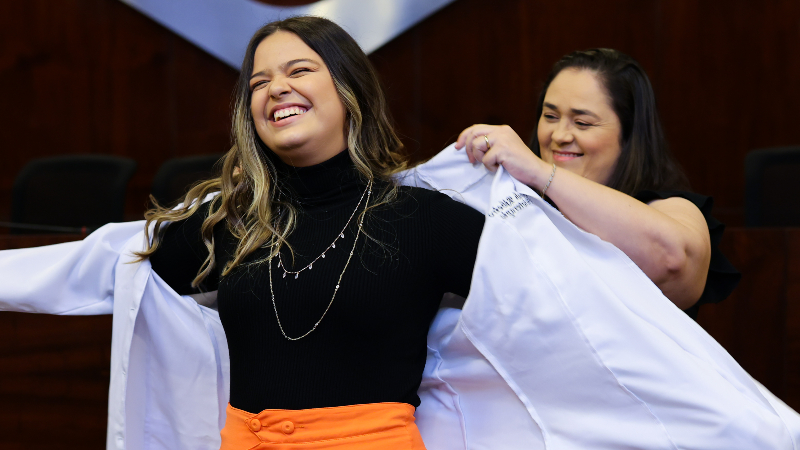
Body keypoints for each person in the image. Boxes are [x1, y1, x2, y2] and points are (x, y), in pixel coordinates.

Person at [137, 16, 484, 450]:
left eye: (299, 70)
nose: (276, 88)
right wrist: (236, 192)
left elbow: (552, 300)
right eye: (258, 83)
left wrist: (544, 178)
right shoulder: (235, 223)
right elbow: (133, 275)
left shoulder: (428, 220)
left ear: (349, 87)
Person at [454, 48, 740, 319]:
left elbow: (674, 260)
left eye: (583, 123)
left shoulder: (671, 208)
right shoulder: (512, 204)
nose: (559, 135)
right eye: (551, 117)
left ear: (628, 136)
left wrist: (541, 172)